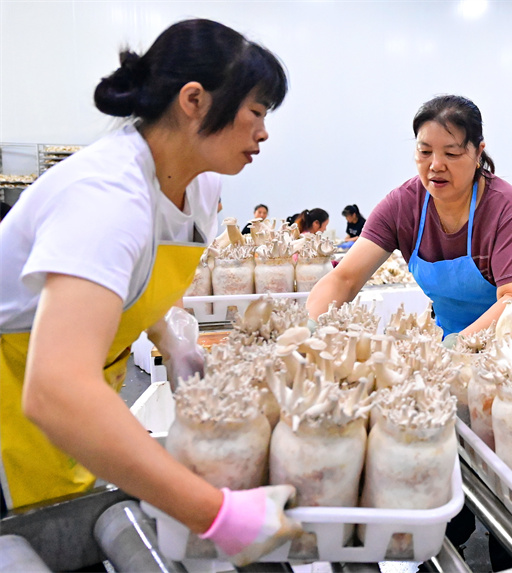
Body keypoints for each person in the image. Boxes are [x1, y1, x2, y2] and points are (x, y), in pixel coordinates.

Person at [0, 19, 299, 565]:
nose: (264, 132)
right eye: (256, 112)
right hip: (12, 405)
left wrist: (173, 334)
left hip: (80, 387)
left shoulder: (200, 182)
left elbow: (139, 281)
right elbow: (54, 391)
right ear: (194, 100)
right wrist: (216, 514)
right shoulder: (106, 199)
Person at [307, 94, 512, 344]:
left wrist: (457, 345)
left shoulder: (503, 205)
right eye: (424, 151)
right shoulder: (402, 206)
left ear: (478, 153)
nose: (435, 165)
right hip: (453, 327)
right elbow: (345, 278)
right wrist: (309, 328)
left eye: (452, 154)